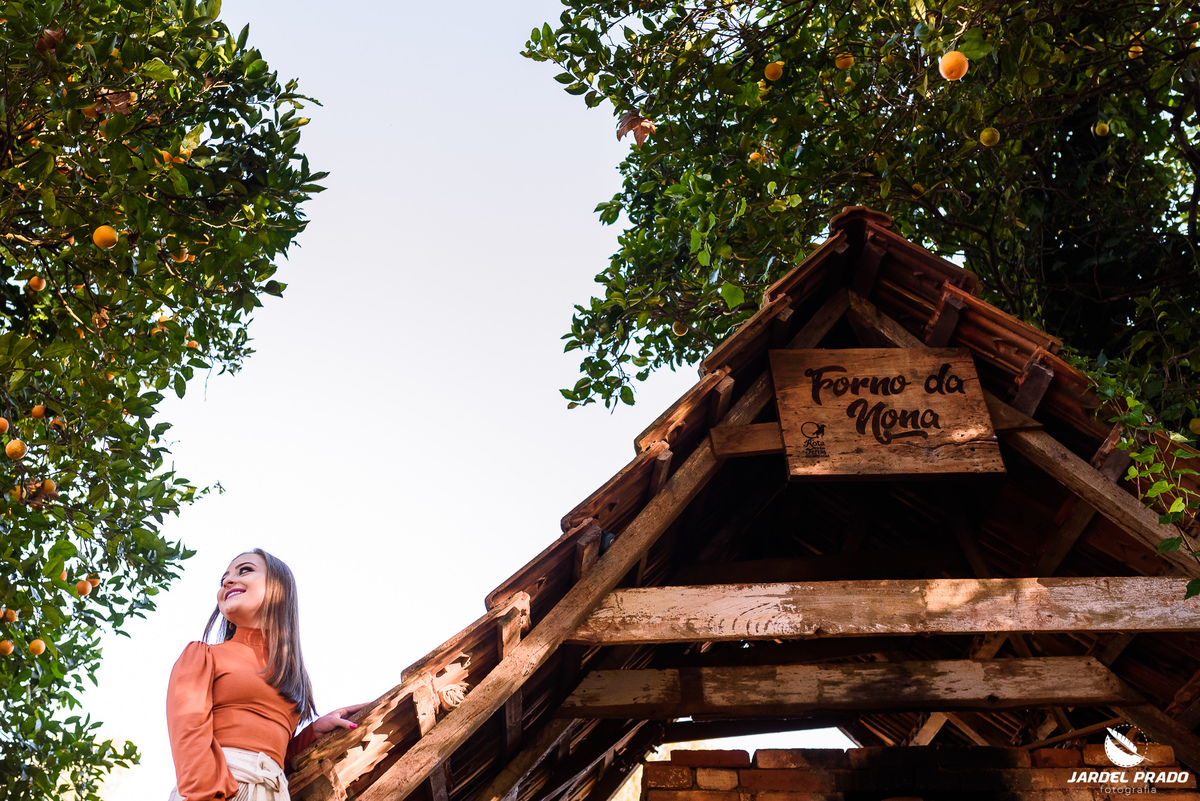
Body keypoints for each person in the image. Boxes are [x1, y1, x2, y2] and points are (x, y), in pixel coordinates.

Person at [166, 549, 367, 800]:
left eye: (245, 570)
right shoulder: (202, 655)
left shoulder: (290, 676)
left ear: (279, 588)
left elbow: (275, 759)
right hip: (217, 788)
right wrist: (209, 794)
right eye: (223, 579)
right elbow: (189, 737)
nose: (228, 581)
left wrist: (312, 734)